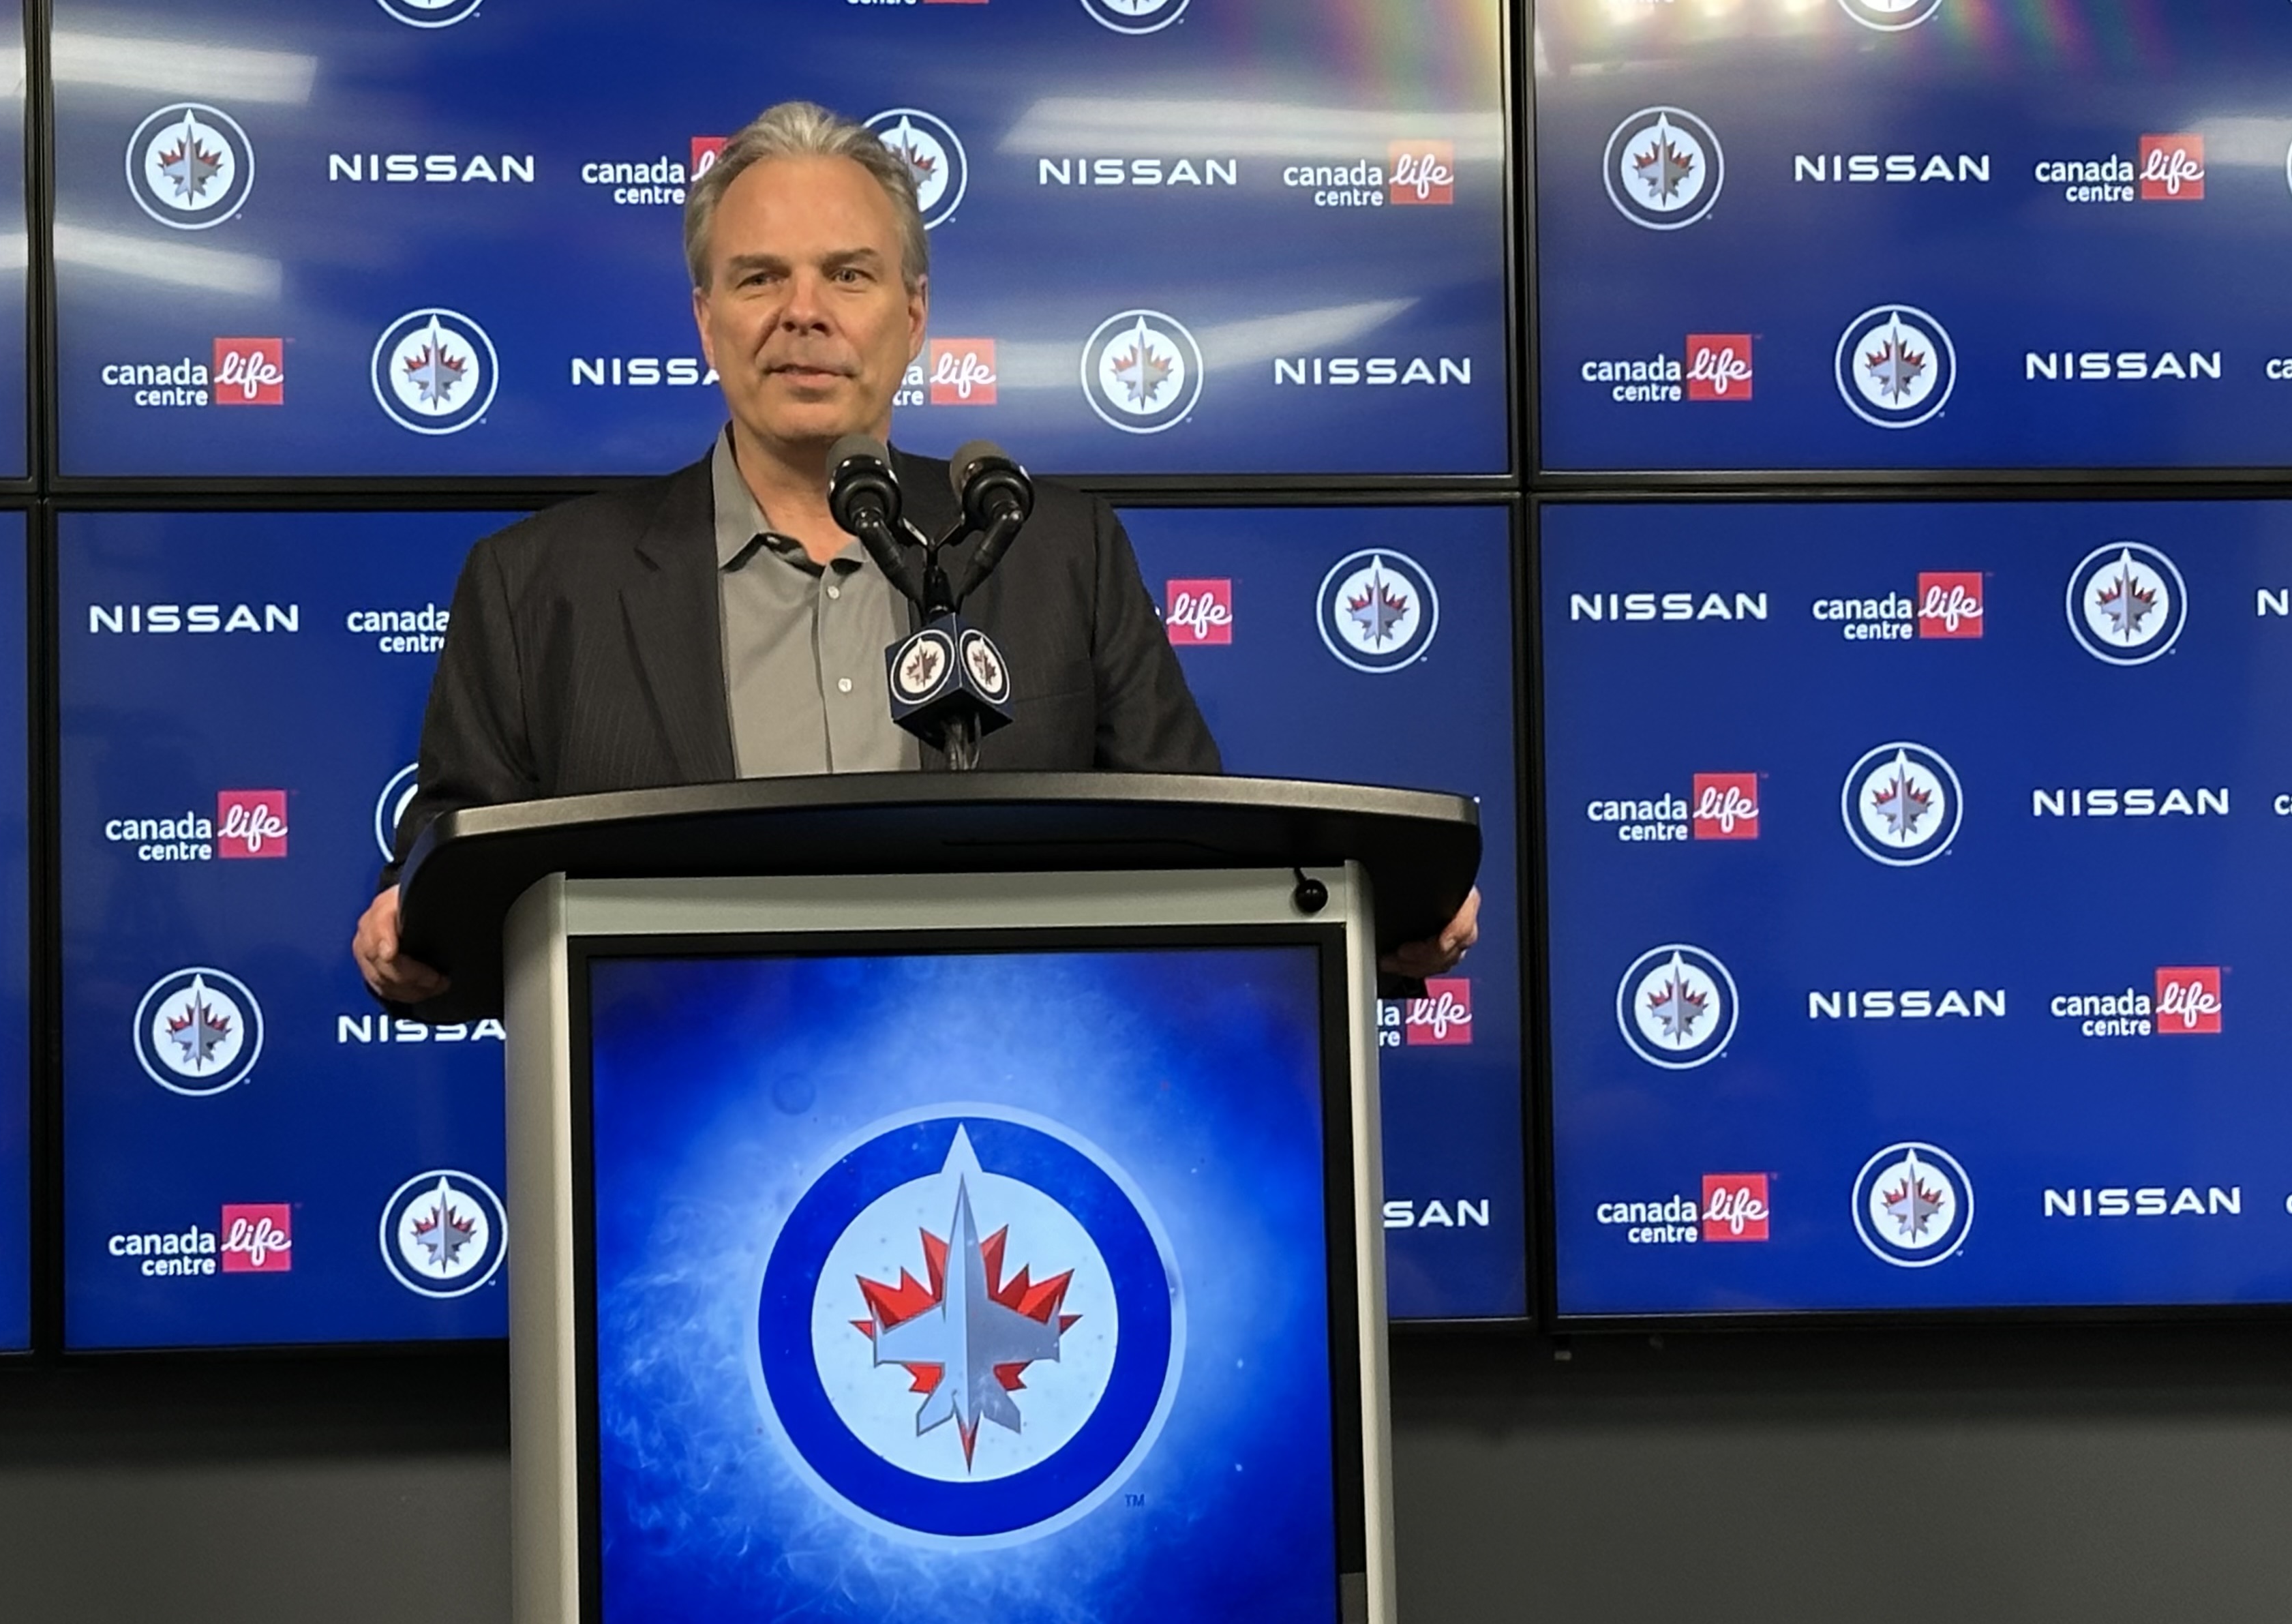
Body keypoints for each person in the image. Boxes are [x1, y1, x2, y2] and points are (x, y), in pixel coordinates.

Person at [352, 100, 1477, 1004]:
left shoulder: (1057, 551)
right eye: (759, 277)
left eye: (848, 274)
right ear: (704, 319)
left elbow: (1209, 863)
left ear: (914, 312)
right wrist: (410, 933)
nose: (803, 313)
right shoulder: (537, 586)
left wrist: (1374, 931)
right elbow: (450, 899)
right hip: (669, 1143)